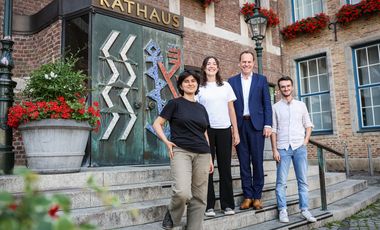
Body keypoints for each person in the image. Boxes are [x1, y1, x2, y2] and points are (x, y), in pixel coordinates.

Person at [153, 70, 214, 230]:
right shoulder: (175, 103)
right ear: (180, 85)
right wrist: (166, 142)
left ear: (197, 85)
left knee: (200, 196)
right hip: (181, 151)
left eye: (193, 81)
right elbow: (157, 124)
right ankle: (172, 215)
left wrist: (210, 158)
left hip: (203, 153)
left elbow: (204, 132)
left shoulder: (201, 108)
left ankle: (194, 227)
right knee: (182, 192)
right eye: (186, 81)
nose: (190, 83)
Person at [228, 50, 272, 210]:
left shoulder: (261, 80)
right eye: (243, 62)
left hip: (257, 127)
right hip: (240, 126)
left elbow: (267, 104)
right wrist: (232, 128)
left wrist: (268, 124)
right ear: (239, 63)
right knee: (243, 162)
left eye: (249, 62)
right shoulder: (231, 82)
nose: (246, 64)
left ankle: (257, 196)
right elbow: (229, 106)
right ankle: (247, 196)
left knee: (258, 162)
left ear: (253, 63)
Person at [197, 56, 240, 217]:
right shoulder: (199, 88)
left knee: (225, 168)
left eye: (214, 64)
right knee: (207, 168)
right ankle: (209, 205)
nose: (212, 66)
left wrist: (235, 131)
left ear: (218, 67)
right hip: (206, 130)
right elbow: (196, 111)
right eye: (209, 64)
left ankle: (227, 205)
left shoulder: (226, 86)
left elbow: (231, 110)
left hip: (224, 129)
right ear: (204, 67)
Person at [271, 76, 317, 223]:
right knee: (281, 182)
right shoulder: (275, 107)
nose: (286, 88)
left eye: (288, 86)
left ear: (292, 87)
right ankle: (282, 210)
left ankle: (305, 210)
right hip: (282, 148)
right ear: (279, 89)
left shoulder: (301, 105)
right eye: (283, 86)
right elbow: (273, 130)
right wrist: (274, 150)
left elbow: (308, 124)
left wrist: (305, 140)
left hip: (299, 147)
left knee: (302, 181)